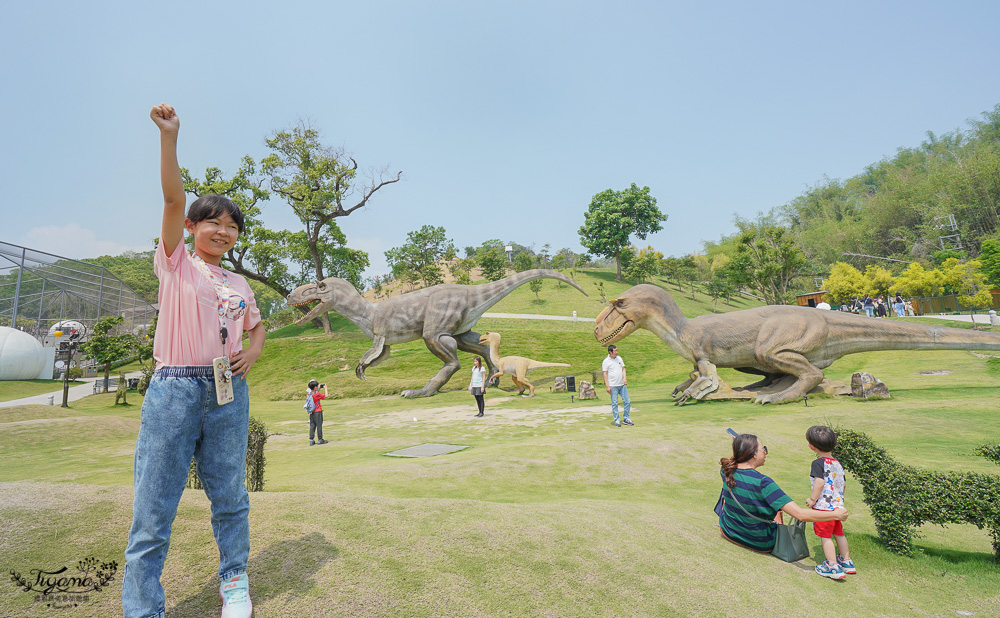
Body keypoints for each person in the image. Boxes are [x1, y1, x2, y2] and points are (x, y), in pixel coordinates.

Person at [122, 103, 265, 618]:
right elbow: (171, 195)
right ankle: (142, 608)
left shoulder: (239, 282)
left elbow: (256, 324)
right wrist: (170, 137)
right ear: (192, 227)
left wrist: (253, 348)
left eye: (232, 227)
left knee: (230, 494)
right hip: (175, 388)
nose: (223, 233)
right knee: (154, 506)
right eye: (213, 224)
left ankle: (235, 584)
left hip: (227, 391)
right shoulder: (175, 261)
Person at [716, 433, 848, 556]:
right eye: (763, 449)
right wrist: (836, 515)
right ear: (754, 454)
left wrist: (740, 446)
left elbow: (737, 461)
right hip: (759, 541)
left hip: (728, 531)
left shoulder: (726, 470)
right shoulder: (763, 482)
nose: (765, 452)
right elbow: (800, 514)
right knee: (778, 510)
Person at [805, 425, 856, 580]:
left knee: (826, 536)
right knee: (839, 533)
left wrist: (812, 499)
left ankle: (832, 566)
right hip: (837, 507)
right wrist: (838, 501)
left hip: (823, 508)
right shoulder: (837, 464)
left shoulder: (818, 463)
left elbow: (819, 483)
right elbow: (844, 484)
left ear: (811, 446)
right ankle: (846, 561)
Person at [602, 344, 632, 427]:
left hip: (622, 385)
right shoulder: (606, 361)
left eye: (617, 350)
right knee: (614, 403)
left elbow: (623, 369)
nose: (616, 352)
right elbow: (605, 374)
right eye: (615, 351)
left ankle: (626, 418)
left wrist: (624, 378)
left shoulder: (619, 359)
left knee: (627, 401)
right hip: (613, 385)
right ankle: (617, 420)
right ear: (610, 352)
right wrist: (607, 386)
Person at [307, 379, 329, 445]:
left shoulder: (310, 394)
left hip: (312, 412)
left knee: (312, 425)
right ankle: (320, 439)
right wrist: (325, 389)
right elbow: (326, 396)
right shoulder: (317, 394)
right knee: (319, 425)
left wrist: (318, 388)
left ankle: (311, 440)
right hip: (318, 411)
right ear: (315, 387)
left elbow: (316, 393)